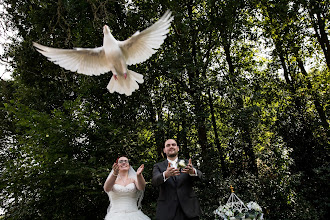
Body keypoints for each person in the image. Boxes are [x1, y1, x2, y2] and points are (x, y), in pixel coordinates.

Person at [152, 139, 203, 220]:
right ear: (164, 150)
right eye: (168, 145)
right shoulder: (158, 166)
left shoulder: (186, 163)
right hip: (167, 211)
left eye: (173, 145)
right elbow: (154, 181)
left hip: (189, 210)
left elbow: (200, 176)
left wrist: (192, 171)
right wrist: (165, 174)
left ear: (178, 148)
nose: (171, 147)